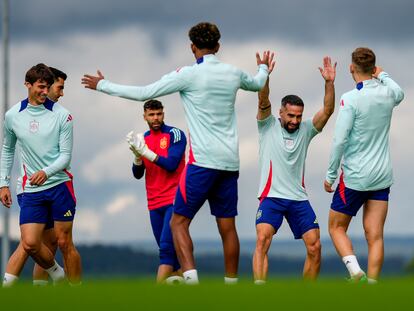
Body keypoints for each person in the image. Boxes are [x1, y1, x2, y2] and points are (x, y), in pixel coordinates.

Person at [82, 22, 274, 284]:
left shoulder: (187, 74)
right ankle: (232, 287)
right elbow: (258, 83)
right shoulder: (233, 72)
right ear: (218, 47)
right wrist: (263, 67)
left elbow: (144, 93)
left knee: (178, 223)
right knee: (227, 228)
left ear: (192, 47)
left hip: (202, 163)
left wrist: (103, 85)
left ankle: (191, 281)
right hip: (230, 163)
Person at [253, 56, 336, 284]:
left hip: (298, 199)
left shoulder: (306, 130)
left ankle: (305, 297)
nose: (295, 120)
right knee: (263, 239)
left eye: (299, 116)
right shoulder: (267, 125)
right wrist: (265, 75)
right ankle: (259, 293)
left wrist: (329, 83)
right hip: (272, 197)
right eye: (290, 115)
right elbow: (263, 100)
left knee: (315, 245)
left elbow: (328, 110)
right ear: (281, 113)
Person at [324, 47, 404, 283]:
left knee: (336, 227)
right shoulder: (387, 94)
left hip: (355, 177)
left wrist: (330, 175)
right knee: (375, 235)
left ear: (351, 68)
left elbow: (340, 139)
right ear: (374, 68)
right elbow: (399, 93)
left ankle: (355, 271)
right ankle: (372, 286)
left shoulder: (350, 99)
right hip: (381, 176)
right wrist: (383, 75)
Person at [0, 64, 81, 285]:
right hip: (31, 189)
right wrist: (3, 183)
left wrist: (46, 172)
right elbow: (7, 149)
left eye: (48, 88)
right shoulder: (12, 116)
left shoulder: (63, 116)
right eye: (41, 87)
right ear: (28, 85)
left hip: (59, 185)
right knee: (30, 243)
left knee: (64, 243)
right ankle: (57, 273)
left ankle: (78, 293)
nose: (46, 92)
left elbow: (65, 156)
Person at [126, 99, 186, 283]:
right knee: (173, 258)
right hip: (154, 203)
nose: (156, 118)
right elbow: (138, 174)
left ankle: (155, 296)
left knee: (166, 251)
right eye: (151, 115)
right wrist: (137, 156)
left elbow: (171, 164)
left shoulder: (175, 134)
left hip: (175, 199)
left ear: (163, 113)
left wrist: (146, 152)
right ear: (144, 116)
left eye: (159, 114)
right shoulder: (143, 139)